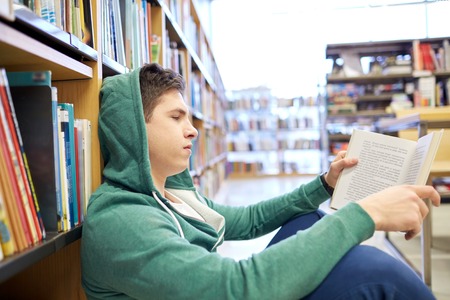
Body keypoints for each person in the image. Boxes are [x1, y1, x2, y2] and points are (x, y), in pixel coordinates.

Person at [81, 63, 441, 300]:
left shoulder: (171, 193)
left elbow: (249, 220)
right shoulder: (121, 220)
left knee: (307, 221)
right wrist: (365, 213)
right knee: (376, 275)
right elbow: (234, 287)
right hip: (230, 291)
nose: (192, 130)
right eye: (176, 117)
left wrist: (325, 185)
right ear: (134, 131)